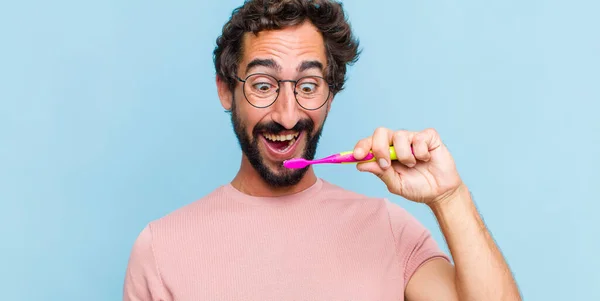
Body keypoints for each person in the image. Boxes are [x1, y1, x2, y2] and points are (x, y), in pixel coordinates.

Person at [123, 0, 521, 300]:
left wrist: (449, 198)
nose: (288, 113)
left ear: (330, 97)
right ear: (226, 90)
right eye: (263, 85)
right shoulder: (161, 248)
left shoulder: (389, 230)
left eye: (309, 86)